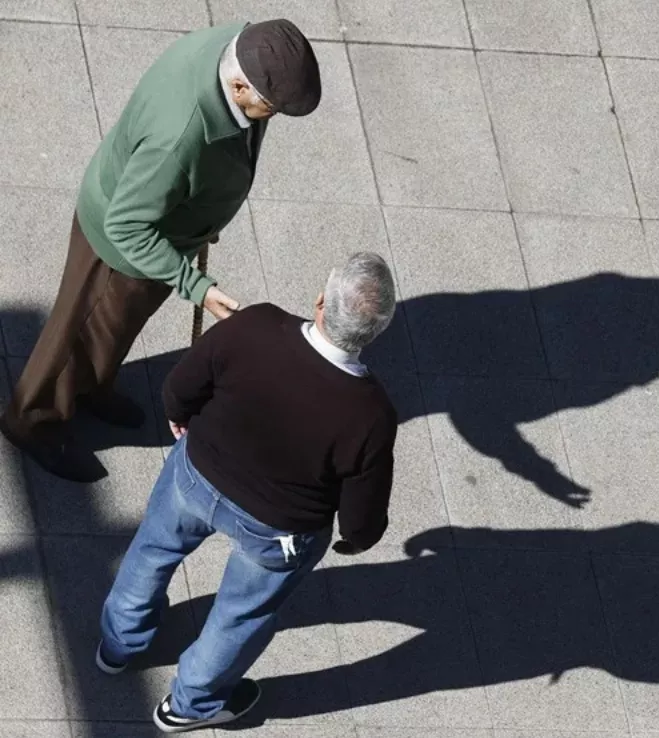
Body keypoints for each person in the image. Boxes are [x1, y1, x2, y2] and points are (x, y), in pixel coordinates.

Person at [0, 19, 322, 483]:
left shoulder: (235, 49)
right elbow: (126, 226)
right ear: (237, 84)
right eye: (269, 107)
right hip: (120, 250)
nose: (270, 117)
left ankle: (91, 387)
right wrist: (196, 287)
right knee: (78, 333)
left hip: (160, 226)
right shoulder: (180, 138)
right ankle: (32, 419)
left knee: (109, 334)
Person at [95, 252, 398, 732]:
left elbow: (181, 386)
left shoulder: (256, 326)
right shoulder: (372, 415)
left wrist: (181, 416)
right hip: (278, 529)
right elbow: (362, 510)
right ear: (375, 333)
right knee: (239, 614)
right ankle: (190, 705)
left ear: (320, 301)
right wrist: (355, 538)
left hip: (196, 475)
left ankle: (118, 643)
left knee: (152, 552)